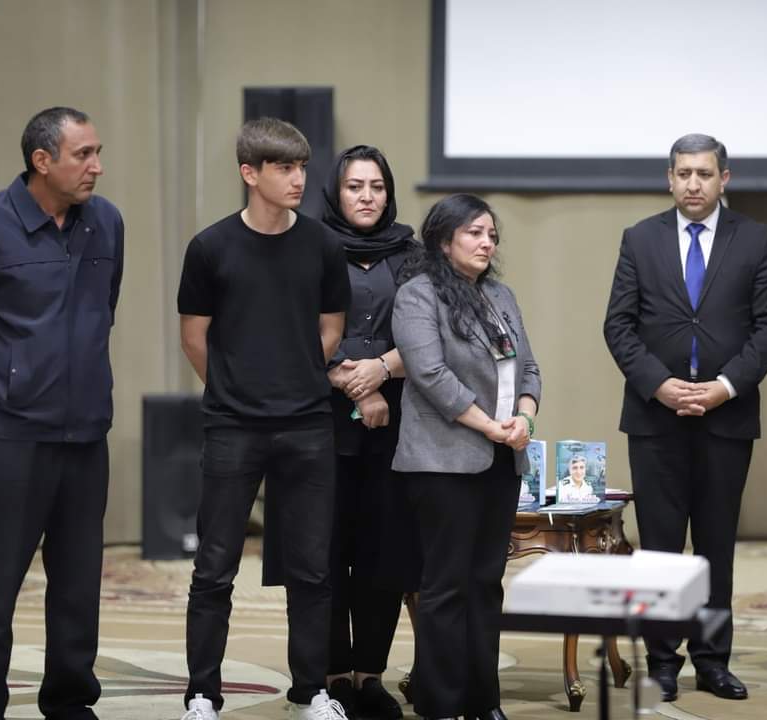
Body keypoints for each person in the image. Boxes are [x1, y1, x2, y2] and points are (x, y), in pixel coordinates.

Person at [0, 106, 121, 720]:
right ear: (42, 161)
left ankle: (70, 704)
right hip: (9, 438)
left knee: (78, 586)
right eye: (83, 154)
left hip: (86, 435)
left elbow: (104, 311)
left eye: (96, 152)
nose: (96, 166)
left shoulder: (107, 223)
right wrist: (8, 379)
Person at [177, 118, 350, 720]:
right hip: (232, 426)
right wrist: (235, 388)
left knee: (312, 568)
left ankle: (311, 691)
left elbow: (332, 328)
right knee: (214, 567)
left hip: (308, 423)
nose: (298, 178)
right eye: (283, 167)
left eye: (301, 166)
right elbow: (194, 337)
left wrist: (295, 375)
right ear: (250, 173)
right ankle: (202, 695)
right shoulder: (210, 248)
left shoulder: (323, 245)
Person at [603, 133, 767, 702]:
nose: (693, 184)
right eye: (683, 173)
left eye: (704, 174)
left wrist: (724, 388)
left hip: (725, 418)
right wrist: (660, 385)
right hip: (656, 420)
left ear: (723, 178)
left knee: (715, 547)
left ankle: (712, 660)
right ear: (670, 178)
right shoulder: (640, 238)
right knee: (660, 548)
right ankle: (662, 661)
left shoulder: (753, 238)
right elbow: (618, 326)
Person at [392, 194, 541, 720]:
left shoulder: (500, 295)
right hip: (441, 462)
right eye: (475, 233)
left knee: (485, 583)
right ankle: (440, 703)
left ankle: (483, 701)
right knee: (446, 585)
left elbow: (529, 369)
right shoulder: (417, 295)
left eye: (491, 235)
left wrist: (524, 420)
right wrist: (490, 426)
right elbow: (430, 375)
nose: (486, 243)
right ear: (443, 240)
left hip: (501, 460)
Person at [319, 145, 420, 719]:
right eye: (354, 186)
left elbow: (431, 333)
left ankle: (370, 675)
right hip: (320, 418)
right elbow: (292, 326)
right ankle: (332, 674)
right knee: (328, 549)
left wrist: (381, 370)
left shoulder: (413, 255)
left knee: (384, 550)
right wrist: (352, 381)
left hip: (397, 421)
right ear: (337, 193)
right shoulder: (308, 246)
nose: (366, 196)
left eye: (376, 187)